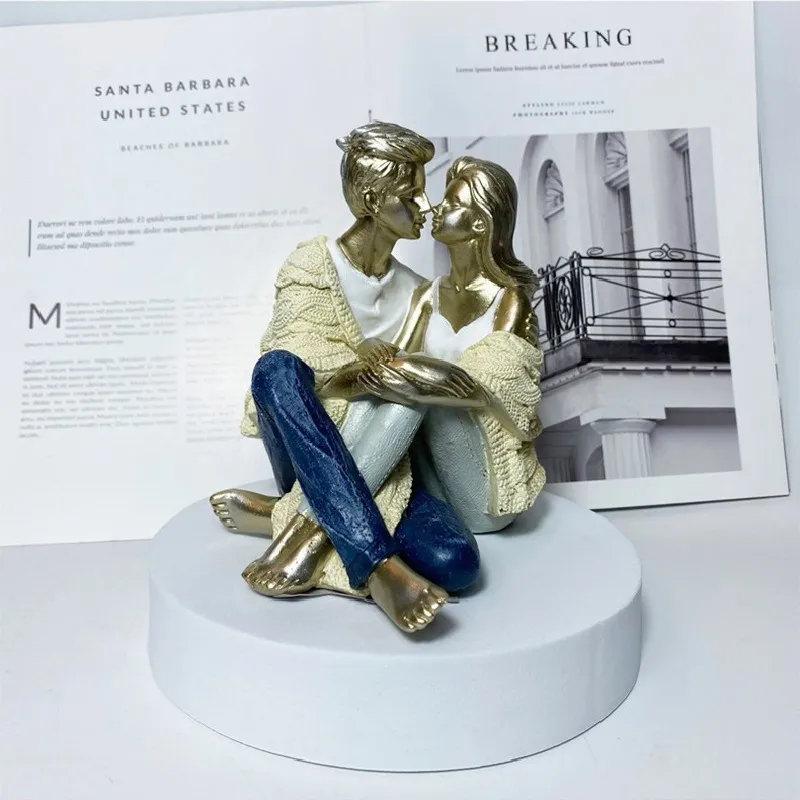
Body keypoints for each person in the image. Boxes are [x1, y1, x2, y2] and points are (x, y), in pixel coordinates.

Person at [211, 121, 479, 633]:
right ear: (374, 200)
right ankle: (378, 568)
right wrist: (363, 369)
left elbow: (420, 388)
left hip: (385, 465)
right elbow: (296, 354)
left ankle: (292, 520)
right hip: (308, 448)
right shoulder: (312, 265)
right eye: (411, 195)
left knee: (457, 564)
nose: (424, 206)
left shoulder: (418, 291)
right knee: (276, 369)